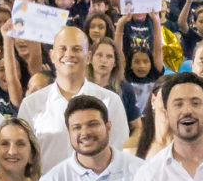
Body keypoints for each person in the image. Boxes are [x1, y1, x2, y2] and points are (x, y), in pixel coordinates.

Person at [15, 24, 130, 167]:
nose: (69, 54)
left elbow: (118, 152)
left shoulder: (110, 101)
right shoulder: (31, 104)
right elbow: (23, 156)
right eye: (62, 49)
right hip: (45, 180)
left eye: (76, 49)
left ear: (88, 57)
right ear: (52, 56)